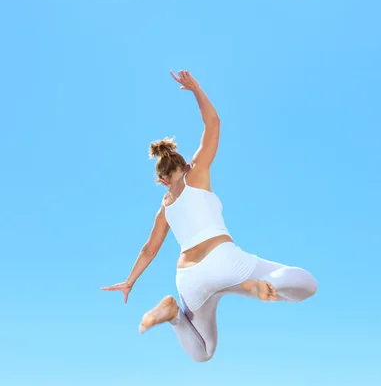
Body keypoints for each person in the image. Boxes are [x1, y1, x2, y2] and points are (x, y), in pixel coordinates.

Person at [102, 70, 317, 362]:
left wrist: (129, 281)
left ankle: (174, 315)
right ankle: (260, 286)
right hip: (225, 261)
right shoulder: (197, 173)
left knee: (204, 352)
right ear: (184, 164)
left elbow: (149, 249)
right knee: (305, 285)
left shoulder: (164, 207)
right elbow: (213, 123)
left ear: (164, 181)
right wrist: (196, 89)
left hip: (188, 279)